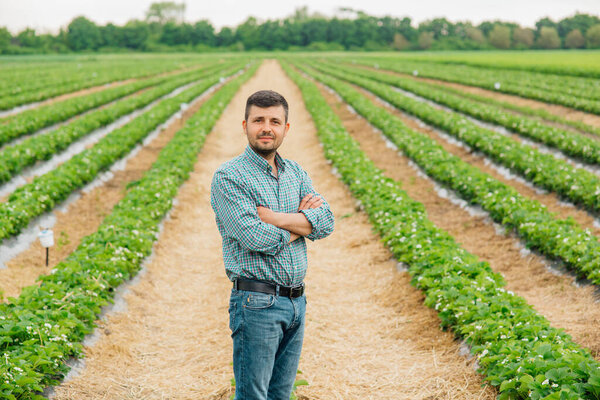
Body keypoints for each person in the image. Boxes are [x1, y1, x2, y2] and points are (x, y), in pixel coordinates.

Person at [210, 89, 334, 400]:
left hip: (296, 302)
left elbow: (327, 222)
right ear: (245, 125)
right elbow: (255, 237)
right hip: (256, 302)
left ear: (286, 128)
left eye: (275, 121)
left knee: (281, 394)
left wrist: (276, 218)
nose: (267, 127)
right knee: (254, 395)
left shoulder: (295, 172)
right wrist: (301, 223)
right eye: (259, 120)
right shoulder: (229, 177)